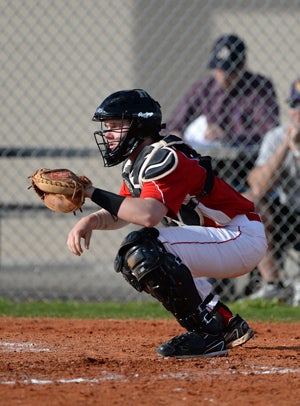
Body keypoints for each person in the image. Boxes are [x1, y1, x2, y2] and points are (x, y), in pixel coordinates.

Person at [67, 89, 267, 359]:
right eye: (107, 127)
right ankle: (224, 324)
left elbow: (149, 215)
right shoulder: (138, 163)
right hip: (224, 237)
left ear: (140, 126)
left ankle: (206, 335)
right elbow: (126, 212)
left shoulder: (164, 158)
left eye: (115, 126)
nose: (108, 134)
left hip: (238, 235)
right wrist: (91, 219)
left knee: (144, 252)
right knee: (136, 257)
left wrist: (92, 193)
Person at [166, 33, 279, 149]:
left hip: (247, 158)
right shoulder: (203, 89)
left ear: (243, 65)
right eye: (220, 70)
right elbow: (174, 124)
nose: (224, 78)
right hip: (206, 157)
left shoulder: (260, 87)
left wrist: (229, 137)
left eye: (231, 71)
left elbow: (268, 130)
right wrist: (175, 134)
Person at [245, 79, 300, 301]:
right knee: (248, 203)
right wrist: (285, 148)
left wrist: (297, 153)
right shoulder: (277, 137)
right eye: (295, 105)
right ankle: (273, 284)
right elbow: (258, 186)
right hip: (288, 211)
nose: (298, 112)